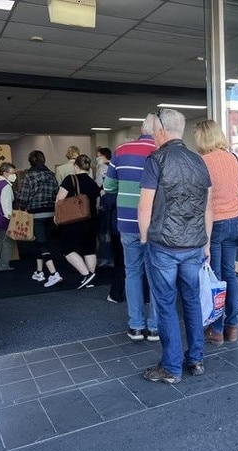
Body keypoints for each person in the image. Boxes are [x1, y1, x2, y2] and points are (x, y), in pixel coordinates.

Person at [138, 108, 212, 384]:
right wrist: (206, 242)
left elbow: (145, 207)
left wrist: (145, 239)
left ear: (160, 130)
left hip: (164, 246)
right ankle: (196, 359)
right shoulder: (199, 161)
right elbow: (208, 207)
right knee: (192, 301)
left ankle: (171, 367)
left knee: (166, 305)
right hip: (194, 244)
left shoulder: (155, 160)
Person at [104, 115, 159, 341]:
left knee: (132, 273)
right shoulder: (161, 150)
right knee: (156, 274)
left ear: (141, 129)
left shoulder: (120, 150)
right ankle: (155, 327)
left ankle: (136, 326)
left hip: (127, 222)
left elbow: (109, 186)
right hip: (156, 223)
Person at [194, 119, 238, 345]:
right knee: (230, 275)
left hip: (215, 223)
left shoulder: (202, 162)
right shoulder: (232, 158)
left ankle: (217, 330)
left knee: (215, 278)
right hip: (235, 221)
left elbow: (203, 200)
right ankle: (232, 327)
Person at [55, 154, 103, 289]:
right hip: (91, 220)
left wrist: (57, 215)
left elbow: (60, 199)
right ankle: (91, 277)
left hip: (73, 220)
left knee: (67, 249)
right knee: (89, 249)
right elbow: (97, 203)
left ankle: (86, 274)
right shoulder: (93, 183)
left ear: (75, 166)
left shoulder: (70, 179)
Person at [17, 150, 63, 288]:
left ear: (30, 161)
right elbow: (57, 193)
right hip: (50, 213)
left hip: (35, 215)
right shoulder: (51, 175)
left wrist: (21, 207)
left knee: (41, 245)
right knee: (42, 243)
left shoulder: (28, 176)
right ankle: (39, 272)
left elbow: (24, 197)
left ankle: (54, 274)